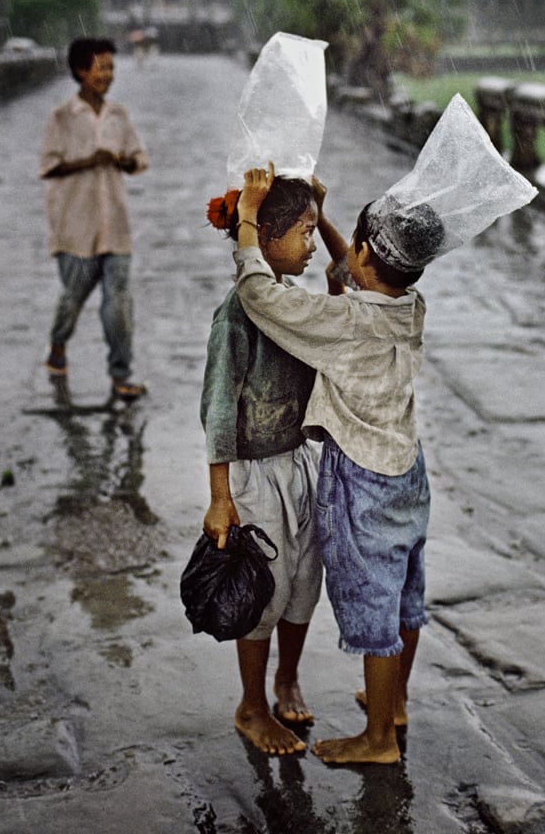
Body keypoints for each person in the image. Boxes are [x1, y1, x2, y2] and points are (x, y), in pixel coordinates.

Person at [232, 164, 438, 766]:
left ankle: (378, 741)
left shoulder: (348, 321)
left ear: (368, 251)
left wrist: (249, 216)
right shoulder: (410, 305)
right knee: (405, 594)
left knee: (374, 607)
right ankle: (393, 702)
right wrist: (321, 217)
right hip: (407, 470)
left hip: (364, 481)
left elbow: (259, 294)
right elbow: (363, 269)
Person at [200, 175, 328, 756]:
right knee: (262, 590)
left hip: (300, 461)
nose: (313, 246)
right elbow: (219, 411)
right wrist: (220, 496)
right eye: (304, 233)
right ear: (266, 236)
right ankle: (251, 705)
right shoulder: (237, 314)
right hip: (254, 473)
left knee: (304, 584)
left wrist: (318, 206)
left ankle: (287, 677)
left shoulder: (292, 302)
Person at [39, 36, 148, 398]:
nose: (108, 75)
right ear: (81, 70)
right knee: (72, 299)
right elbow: (49, 166)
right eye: (102, 67)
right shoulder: (61, 117)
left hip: (115, 227)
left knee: (118, 304)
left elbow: (137, 160)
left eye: (111, 67)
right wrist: (90, 160)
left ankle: (121, 375)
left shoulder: (119, 115)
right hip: (75, 227)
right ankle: (58, 344)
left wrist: (118, 160)